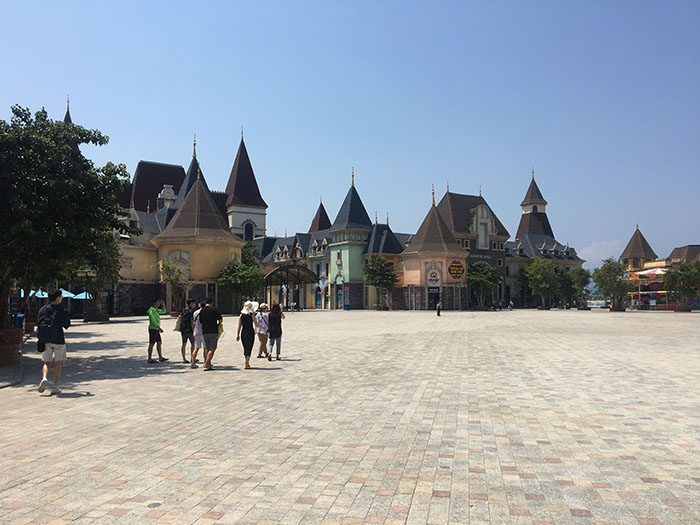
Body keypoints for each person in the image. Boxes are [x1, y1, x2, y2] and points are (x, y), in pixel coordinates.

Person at [37, 290, 71, 394]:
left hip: (45, 339)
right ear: (57, 298)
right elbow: (66, 325)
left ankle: (44, 377)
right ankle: (55, 386)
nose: (62, 298)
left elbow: (38, 323)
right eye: (61, 296)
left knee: (46, 362)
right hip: (58, 339)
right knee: (58, 363)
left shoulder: (43, 309)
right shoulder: (62, 310)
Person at [237, 301, 264, 369]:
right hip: (250, 332)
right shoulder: (251, 315)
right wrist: (262, 327)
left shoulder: (241, 315)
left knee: (245, 348)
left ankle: (246, 362)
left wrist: (237, 335)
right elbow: (256, 324)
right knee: (249, 347)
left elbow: (239, 326)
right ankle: (247, 362)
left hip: (243, 332)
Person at [199, 297, 222, 371]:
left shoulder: (202, 310)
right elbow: (220, 319)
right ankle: (206, 363)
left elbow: (200, 321)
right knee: (212, 348)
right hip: (213, 330)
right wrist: (218, 325)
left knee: (207, 348)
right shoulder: (214, 309)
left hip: (205, 331)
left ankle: (208, 365)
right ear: (211, 302)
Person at [147, 298, 168, 363]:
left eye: (159, 302)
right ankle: (149, 358)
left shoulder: (156, 310)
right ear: (153, 303)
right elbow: (153, 320)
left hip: (156, 329)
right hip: (153, 328)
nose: (158, 304)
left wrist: (163, 305)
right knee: (152, 343)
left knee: (159, 342)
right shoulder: (151, 310)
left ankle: (160, 357)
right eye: (157, 302)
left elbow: (163, 311)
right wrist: (159, 327)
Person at [178, 298, 196, 363]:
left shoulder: (183, 310)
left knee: (184, 344)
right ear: (191, 303)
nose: (194, 304)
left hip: (183, 329)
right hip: (189, 329)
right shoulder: (192, 311)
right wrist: (193, 330)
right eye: (193, 303)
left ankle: (184, 358)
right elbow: (192, 321)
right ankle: (192, 358)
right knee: (193, 344)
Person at [190, 300, 204, 368]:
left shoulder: (195, 312)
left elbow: (192, 322)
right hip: (203, 332)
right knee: (205, 348)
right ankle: (206, 362)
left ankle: (192, 362)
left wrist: (193, 330)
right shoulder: (204, 312)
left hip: (196, 331)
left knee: (196, 348)